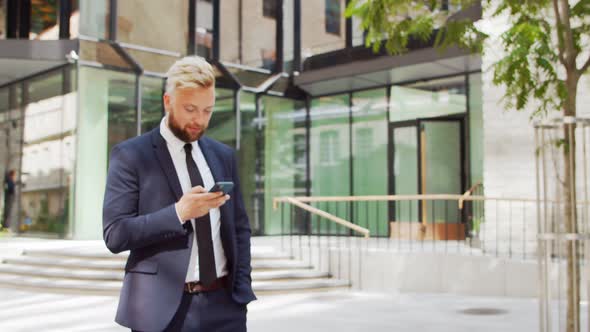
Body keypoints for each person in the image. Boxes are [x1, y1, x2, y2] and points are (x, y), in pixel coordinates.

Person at [102, 56, 256, 332]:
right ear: (167, 101)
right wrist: (178, 213)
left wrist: (241, 290)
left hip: (225, 307)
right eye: (190, 109)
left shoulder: (223, 156)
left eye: (207, 110)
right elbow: (115, 234)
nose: (199, 119)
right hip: (162, 314)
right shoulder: (130, 156)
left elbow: (240, 228)